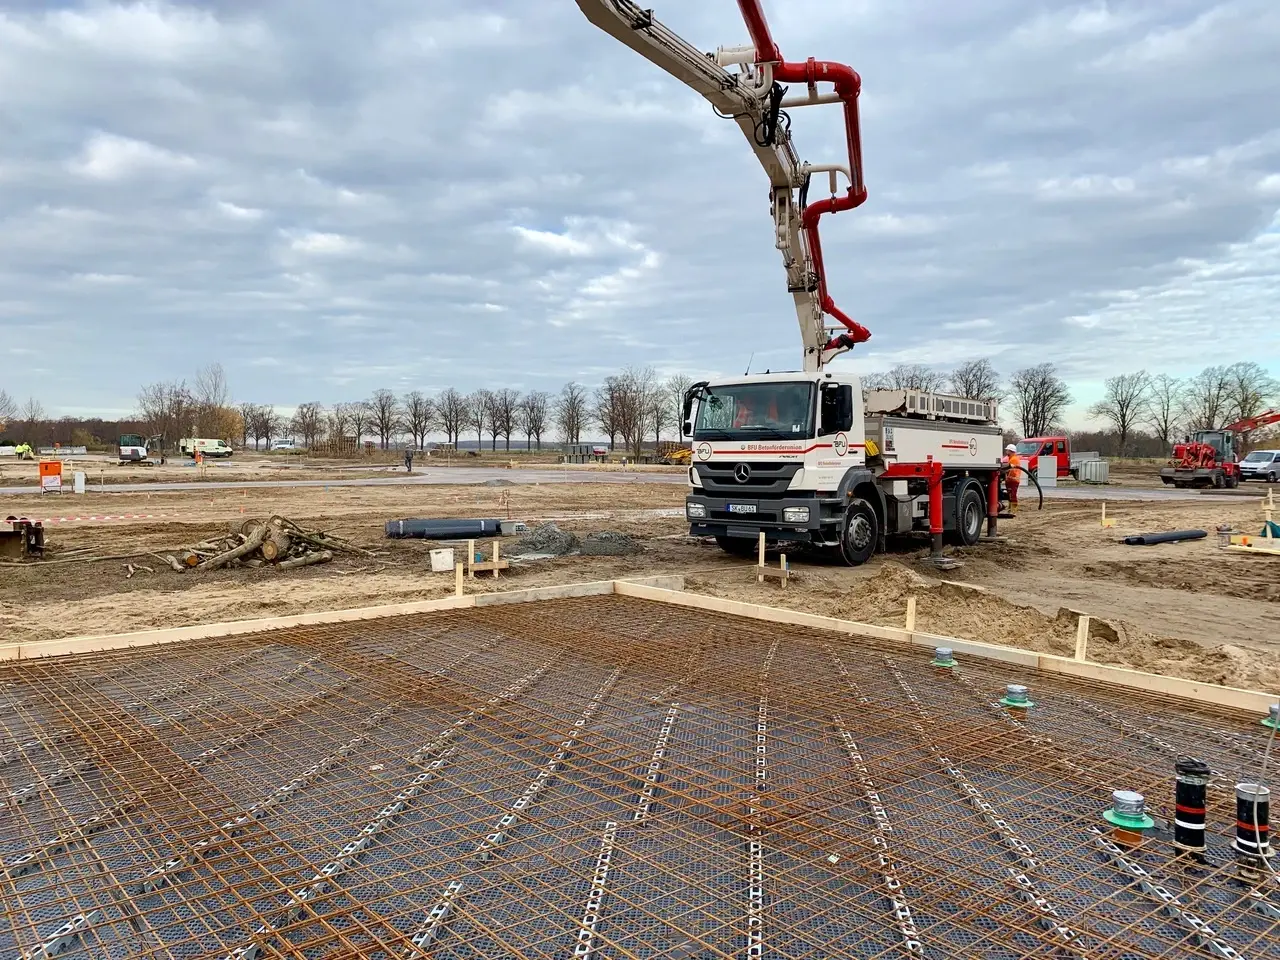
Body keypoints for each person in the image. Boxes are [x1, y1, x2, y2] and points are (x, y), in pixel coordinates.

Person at [1004, 443, 1021, 515]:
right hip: (1011, 480)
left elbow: (1011, 470)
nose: (1006, 451)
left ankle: (1013, 511)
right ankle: (1010, 510)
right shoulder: (1012, 459)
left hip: (1013, 480)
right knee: (1010, 495)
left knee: (1012, 495)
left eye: (1007, 450)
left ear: (1010, 451)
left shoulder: (1013, 459)